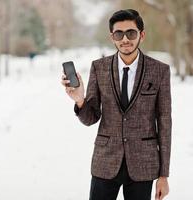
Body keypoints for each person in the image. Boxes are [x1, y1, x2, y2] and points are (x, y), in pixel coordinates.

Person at [61, 9, 172, 200]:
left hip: (143, 164)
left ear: (141, 35)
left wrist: (164, 175)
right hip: (105, 161)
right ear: (112, 37)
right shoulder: (99, 67)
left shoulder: (159, 71)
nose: (125, 39)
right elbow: (91, 118)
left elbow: (164, 123)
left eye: (131, 33)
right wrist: (80, 99)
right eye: (119, 34)